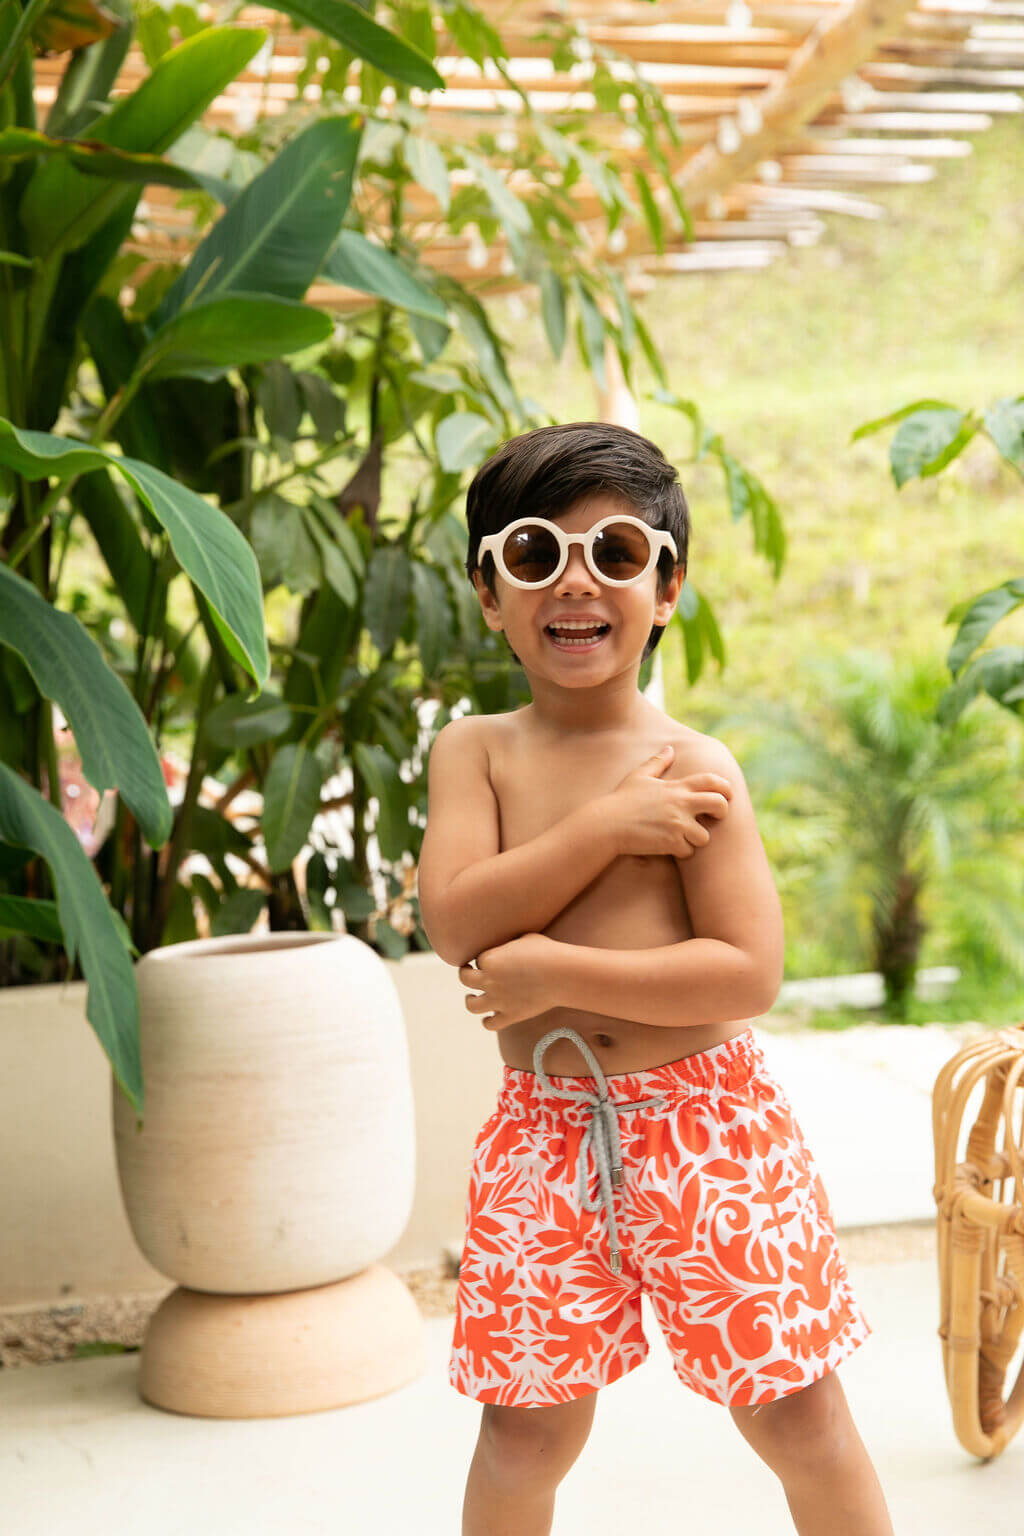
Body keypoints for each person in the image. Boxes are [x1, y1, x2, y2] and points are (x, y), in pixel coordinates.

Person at [416, 421, 893, 1536]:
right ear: (490, 593)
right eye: (533, 555)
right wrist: (605, 828)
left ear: (666, 587)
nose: (574, 582)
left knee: (796, 1415)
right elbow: (453, 918)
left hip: (709, 1135)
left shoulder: (694, 768)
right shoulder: (473, 753)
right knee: (523, 1430)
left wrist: (547, 970)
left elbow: (742, 973)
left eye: (616, 552)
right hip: (546, 1135)